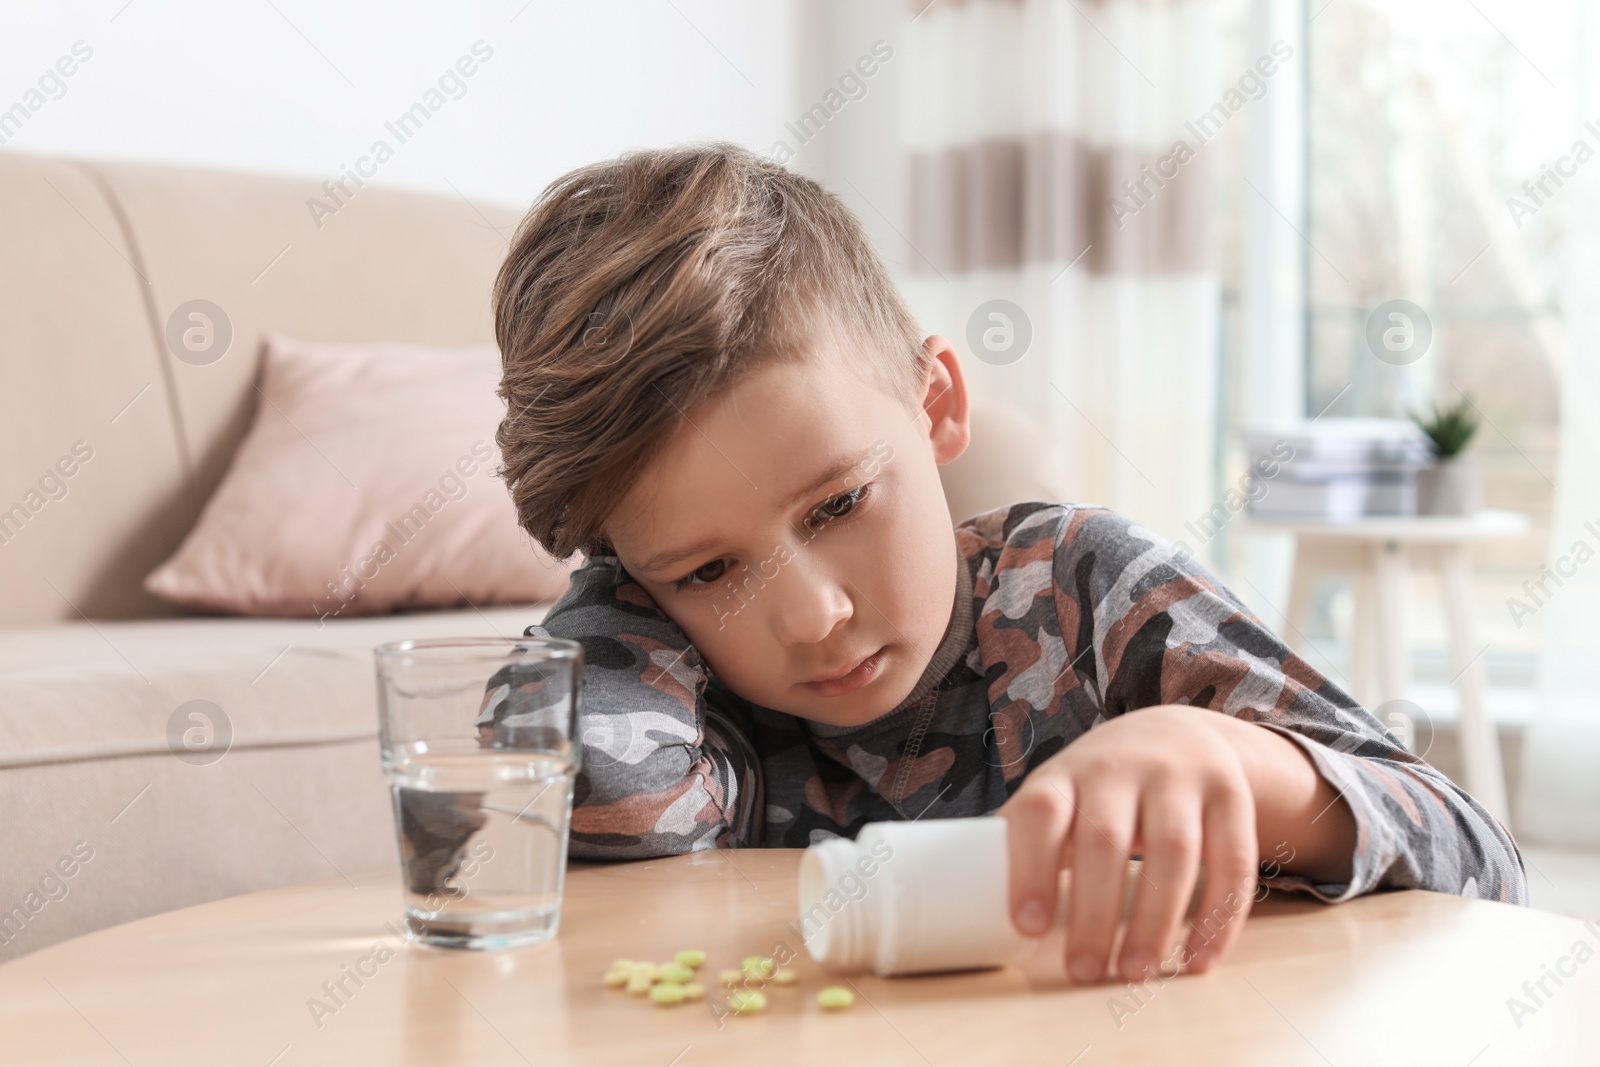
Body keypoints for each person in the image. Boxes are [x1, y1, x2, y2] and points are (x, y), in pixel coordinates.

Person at [484, 142, 1528, 987]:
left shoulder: (1087, 592)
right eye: (709, 569)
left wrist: (1244, 772)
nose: (810, 614)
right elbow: (597, 808)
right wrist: (628, 574)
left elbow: (1483, 867)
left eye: (840, 501)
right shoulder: (680, 681)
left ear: (936, 402)